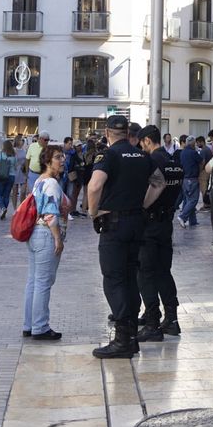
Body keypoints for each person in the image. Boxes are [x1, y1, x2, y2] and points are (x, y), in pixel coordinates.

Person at [86, 114, 164, 359]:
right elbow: (160, 182)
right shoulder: (142, 155)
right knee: (131, 277)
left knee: (114, 278)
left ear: (108, 133)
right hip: (137, 223)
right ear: (127, 132)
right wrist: (142, 204)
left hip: (115, 225)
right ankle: (130, 336)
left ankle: (122, 339)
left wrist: (93, 213)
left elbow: (94, 185)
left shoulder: (108, 155)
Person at [135, 125, 183, 342]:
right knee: (164, 271)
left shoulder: (153, 161)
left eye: (141, 143)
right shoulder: (173, 161)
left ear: (146, 141)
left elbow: (156, 185)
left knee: (145, 272)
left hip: (151, 224)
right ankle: (171, 319)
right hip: (167, 222)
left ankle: (153, 321)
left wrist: (142, 206)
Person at [22, 146, 68, 341]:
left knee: (34, 281)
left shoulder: (39, 182)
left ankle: (30, 324)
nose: (62, 160)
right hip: (45, 234)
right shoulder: (51, 183)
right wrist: (58, 237)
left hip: (35, 234)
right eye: (58, 157)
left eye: (63, 157)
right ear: (47, 162)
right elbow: (50, 214)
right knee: (43, 282)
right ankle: (40, 326)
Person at [176, 135, 204, 229]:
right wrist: (200, 170)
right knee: (193, 200)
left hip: (185, 179)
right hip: (192, 179)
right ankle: (182, 217)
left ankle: (193, 221)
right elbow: (202, 161)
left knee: (189, 199)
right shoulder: (193, 152)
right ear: (193, 143)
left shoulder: (183, 152)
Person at [0, 140, 17, 219]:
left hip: (1, 176)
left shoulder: (1, 154)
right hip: (11, 176)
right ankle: (4, 210)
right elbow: (15, 166)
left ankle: (2, 208)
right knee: (6, 195)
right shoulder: (14, 156)